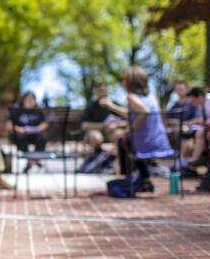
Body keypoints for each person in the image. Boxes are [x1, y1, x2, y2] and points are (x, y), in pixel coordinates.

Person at [100, 65, 173, 193]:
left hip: (145, 144)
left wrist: (130, 130)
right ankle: (144, 181)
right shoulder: (150, 95)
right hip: (160, 141)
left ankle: (127, 177)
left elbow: (144, 111)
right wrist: (112, 107)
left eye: (124, 79)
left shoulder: (131, 97)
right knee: (126, 141)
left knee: (123, 140)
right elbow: (133, 113)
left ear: (129, 81)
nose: (122, 82)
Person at [78, 83, 127, 173]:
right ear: (95, 92)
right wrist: (100, 126)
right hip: (97, 132)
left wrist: (115, 125)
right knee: (95, 136)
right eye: (99, 91)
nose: (102, 93)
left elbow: (128, 120)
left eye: (103, 91)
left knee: (121, 135)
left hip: (111, 132)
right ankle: (98, 159)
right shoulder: (91, 106)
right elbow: (83, 125)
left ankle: (114, 161)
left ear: (107, 91)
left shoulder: (114, 104)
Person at [6, 91, 49, 171]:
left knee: (42, 138)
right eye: (27, 99)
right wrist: (18, 129)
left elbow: (45, 124)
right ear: (23, 100)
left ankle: (33, 159)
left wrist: (37, 129)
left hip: (35, 134)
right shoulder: (16, 109)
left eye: (32, 99)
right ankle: (32, 160)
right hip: (21, 135)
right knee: (20, 138)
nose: (30, 101)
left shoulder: (38, 110)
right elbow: (9, 125)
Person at [166, 81, 201, 170]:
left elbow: (198, 119)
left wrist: (185, 124)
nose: (180, 91)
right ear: (175, 91)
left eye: (181, 89)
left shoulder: (192, 103)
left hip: (190, 130)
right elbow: (167, 119)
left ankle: (181, 164)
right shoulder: (174, 105)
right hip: (178, 132)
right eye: (178, 89)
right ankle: (182, 164)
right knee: (180, 133)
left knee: (186, 137)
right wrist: (175, 122)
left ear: (186, 90)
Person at [186, 87, 210, 168]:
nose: (193, 103)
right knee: (200, 133)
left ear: (199, 96)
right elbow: (204, 118)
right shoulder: (202, 105)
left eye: (193, 100)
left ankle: (202, 158)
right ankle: (197, 158)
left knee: (206, 134)